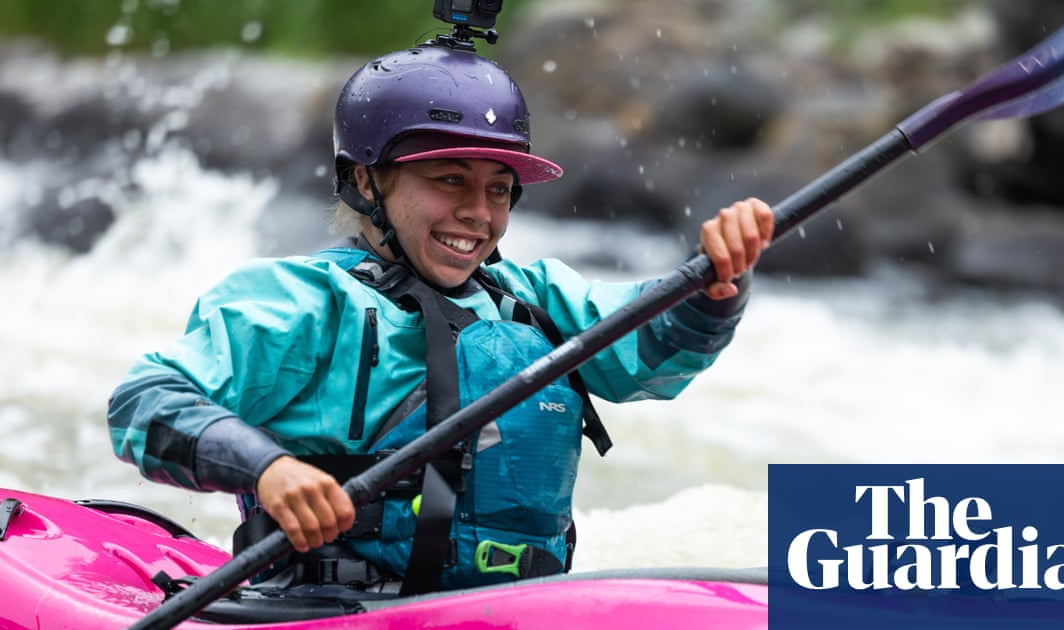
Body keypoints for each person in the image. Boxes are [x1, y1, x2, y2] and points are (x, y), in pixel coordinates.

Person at [107, 44, 773, 594]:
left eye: (498, 189)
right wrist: (267, 468)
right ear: (365, 181)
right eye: (450, 179)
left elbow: (653, 348)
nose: (479, 213)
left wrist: (716, 280)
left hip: (506, 610)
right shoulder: (297, 300)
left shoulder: (534, 301)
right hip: (330, 609)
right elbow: (144, 403)